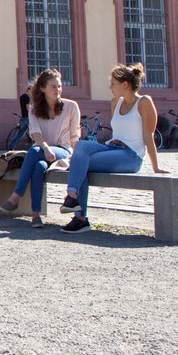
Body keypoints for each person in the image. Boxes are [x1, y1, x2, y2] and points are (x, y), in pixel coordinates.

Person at [59, 63, 168, 233]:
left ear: (125, 85)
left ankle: (79, 217)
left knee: (79, 163)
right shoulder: (115, 102)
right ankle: (73, 199)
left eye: (113, 83)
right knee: (81, 147)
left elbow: (148, 136)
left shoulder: (144, 102)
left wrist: (156, 167)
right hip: (113, 149)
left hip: (131, 157)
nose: (110, 87)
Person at [0, 69, 79, 226]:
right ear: (42, 88)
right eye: (53, 87)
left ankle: (15, 196)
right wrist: (46, 148)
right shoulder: (34, 109)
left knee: (34, 151)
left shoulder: (71, 106)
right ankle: (36, 215)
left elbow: (75, 136)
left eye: (59, 86)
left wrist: (75, 158)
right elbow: (35, 133)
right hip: (43, 152)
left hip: (62, 150)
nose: (58, 90)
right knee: (39, 167)